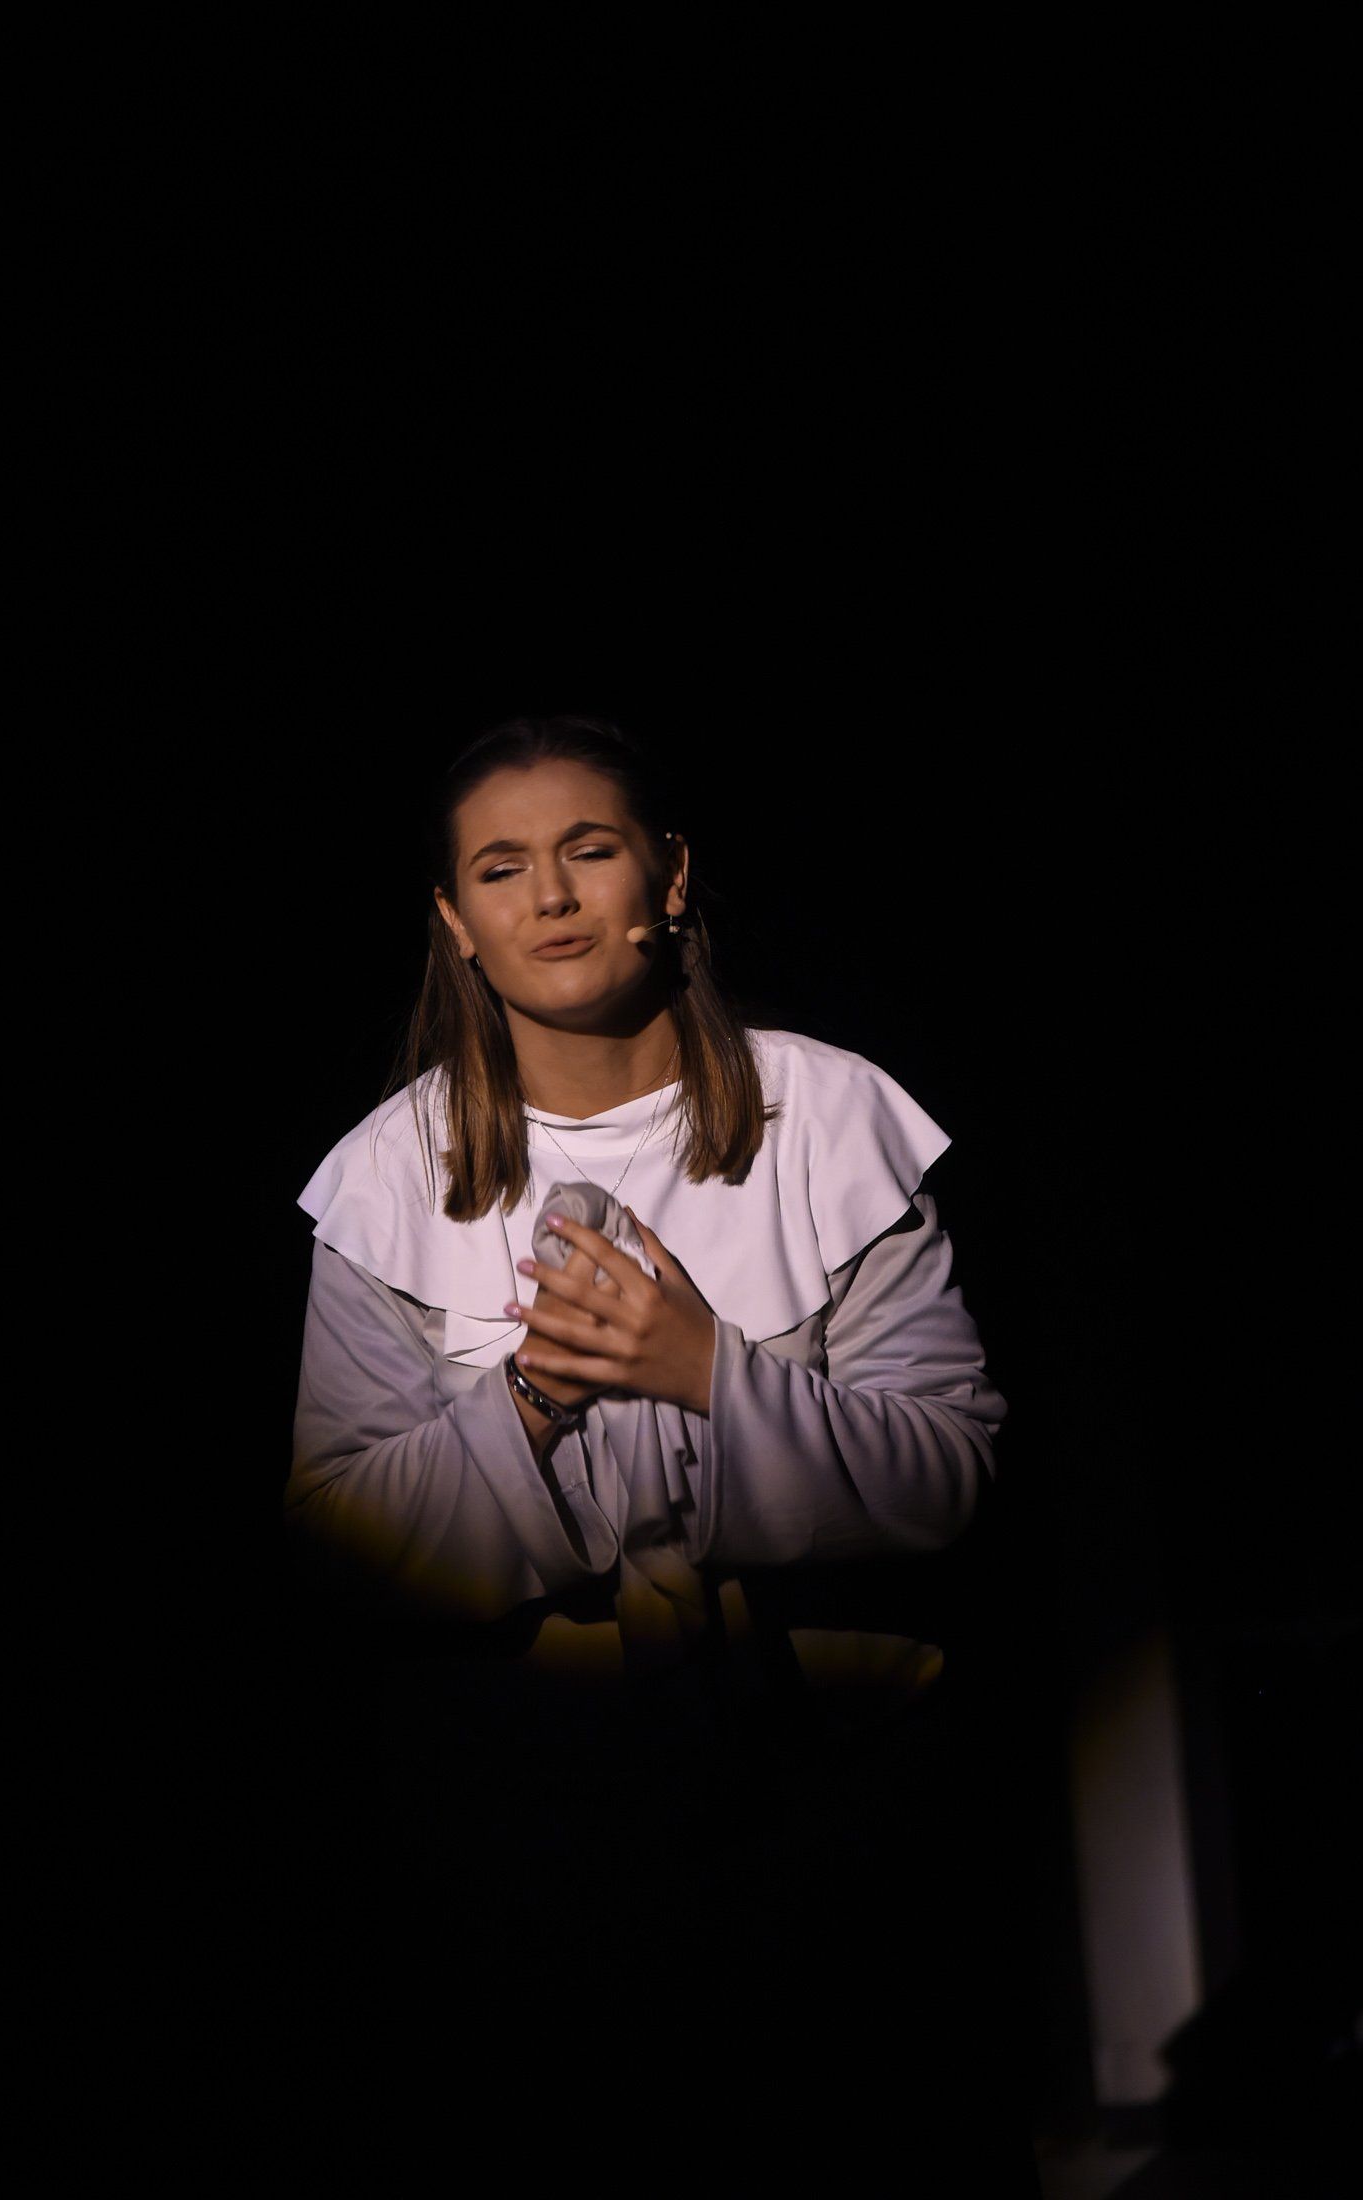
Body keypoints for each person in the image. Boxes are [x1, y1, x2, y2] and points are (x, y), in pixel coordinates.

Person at [279, 715, 1036, 2188]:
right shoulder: (389, 1177)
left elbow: (950, 1470)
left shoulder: (827, 1118)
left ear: (670, 876)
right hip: (534, 1852)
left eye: (590, 850)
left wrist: (704, 1373)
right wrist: (533, 1402)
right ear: (457, 921)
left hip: (833, 1819)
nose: (552, 896)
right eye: (502, 868)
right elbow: (335, 1544)